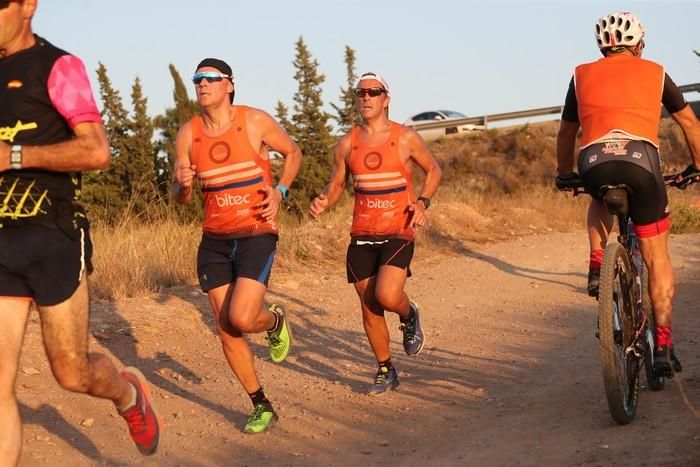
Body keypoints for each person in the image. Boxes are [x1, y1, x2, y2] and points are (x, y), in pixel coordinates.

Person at [0, 1, 161, 464]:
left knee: (72, 373)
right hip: (1, 244)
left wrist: (14, 157)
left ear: (29, 5)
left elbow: (96, 151)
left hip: (52, 236)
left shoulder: (58, 67)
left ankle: (128, 395)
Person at [555, 11, 700, 376]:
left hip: (595, 160)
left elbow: (566, 133)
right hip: (640, 160)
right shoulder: (654, 71)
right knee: (656, 257)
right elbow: (689, 123)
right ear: (638, 44)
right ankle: (663, 345)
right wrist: (698, 167)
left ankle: (596, 261)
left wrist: (565, 174)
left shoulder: (581, 74)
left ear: (603, 47)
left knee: (596, 197)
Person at [173, 58, 301, 433]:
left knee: (243, 317)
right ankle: (260, 404)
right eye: (197, 79)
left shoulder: (254, 121)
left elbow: (292, 153)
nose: (202, 84)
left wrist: (281, 191)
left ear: (229, 85)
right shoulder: (188, 134)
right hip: (214, 240)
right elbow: (181, 197)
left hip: (256, 233)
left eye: (210, 78)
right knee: (225, 326)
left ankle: (275, 319)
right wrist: (181, 185)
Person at [309, 72, 442, 394]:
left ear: (386, 98)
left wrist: (423, 202)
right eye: (361, 93)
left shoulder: (405, 137)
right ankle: (386, 368)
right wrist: (326, 199)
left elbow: (433, 169)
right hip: (362, 233)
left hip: (398, 229)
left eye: (373, 92)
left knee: (387, 295)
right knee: (369, 304)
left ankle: (409, 315)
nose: (366, 97)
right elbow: (338, 182)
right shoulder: (347, 143)